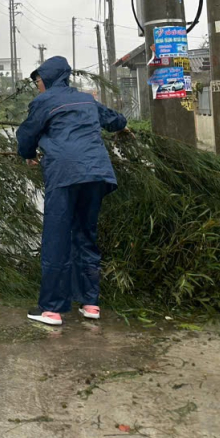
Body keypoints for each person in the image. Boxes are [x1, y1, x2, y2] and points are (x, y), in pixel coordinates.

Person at [16, 56, 130, 327]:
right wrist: (124, 127)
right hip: (96, 174)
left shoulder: (44, 102)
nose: (37, 86)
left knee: (57, 238)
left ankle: (52, 310)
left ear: (49, 79)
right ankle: (91, 304)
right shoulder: (87, 101)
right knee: (85, 235)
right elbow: (116, 120)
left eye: (38, 81)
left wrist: (28, 154)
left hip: (65, 174)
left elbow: (26, 136)